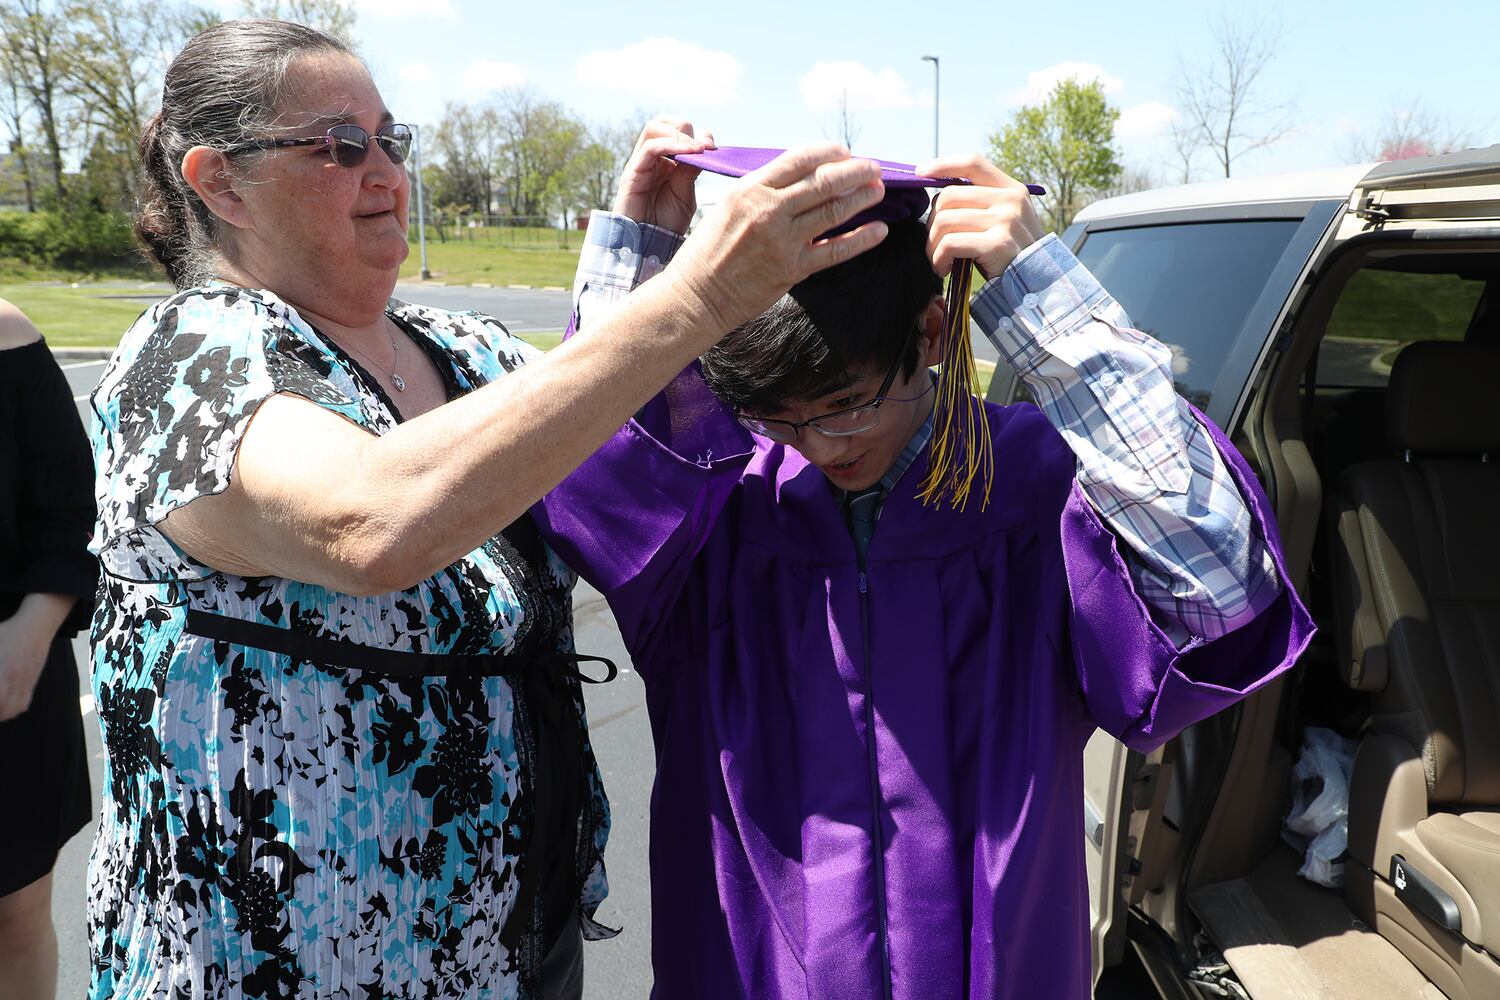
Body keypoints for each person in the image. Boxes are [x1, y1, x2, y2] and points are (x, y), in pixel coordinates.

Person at [86, 19, 892, 1000]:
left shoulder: (464, 347)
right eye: (340, 146)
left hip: (507, 936)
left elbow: (599, 453)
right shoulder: (186, 362)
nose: (384, 170)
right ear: (220, 182)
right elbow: (372, 523)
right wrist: (702, 287)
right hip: (280, 962)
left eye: (391, 140)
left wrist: (641, 252)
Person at [535, 135, 1315, 999]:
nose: (821, 446)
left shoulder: (1034, 488)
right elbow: (583, 485)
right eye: (779, 417)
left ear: (934, 331)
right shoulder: (718, 511)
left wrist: (1046, 301)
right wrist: (636, 267)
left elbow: (1219, 595)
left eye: (848, 402)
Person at [0, 298, 98, 1000]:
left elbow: (69, 513)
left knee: (16, 911)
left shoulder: (11, 340)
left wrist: (30, 637)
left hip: (12, 678)